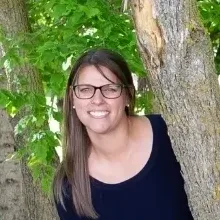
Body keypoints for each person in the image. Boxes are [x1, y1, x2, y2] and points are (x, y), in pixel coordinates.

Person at [53, 48, 194, 220]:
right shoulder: (68, 183)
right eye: (85, 89)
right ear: (72, 98)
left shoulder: (170, 134)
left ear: (128, 95)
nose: (97, 100)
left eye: (110, 89)